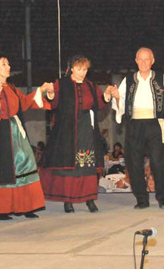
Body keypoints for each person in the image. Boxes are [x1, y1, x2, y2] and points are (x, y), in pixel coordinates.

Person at [0, 55, 53, 220]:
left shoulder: (12, 88)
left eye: (8, 64)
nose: (8, 67)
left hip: (16, 131)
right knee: (3, 167)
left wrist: (41, 90)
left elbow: (24, 102)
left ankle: (25, 205)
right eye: (3, 64)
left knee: (25, 162)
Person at [41, 55, 114, 213]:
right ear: (72, 69)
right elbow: (52, 103)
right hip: (67, 131)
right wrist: (51, 93)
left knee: (88, 164)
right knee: (70, 166)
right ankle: (68, 201)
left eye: (85, 69)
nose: (82, 72)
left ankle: (90, 200)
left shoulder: (91, 86)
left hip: (86, 129)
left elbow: (100, 104)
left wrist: (107, 95)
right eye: (79, 69)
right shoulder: (61, 84)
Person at [109, 48, 164, 209]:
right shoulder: (129, 80)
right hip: (135, 124)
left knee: (159, 162)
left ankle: (162, 198)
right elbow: (120, 103)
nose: (143, 62)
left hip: (155, 123)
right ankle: (141, 199)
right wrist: (117, 97)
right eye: (140, 59)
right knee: (134, 163)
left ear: (152, 61)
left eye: (146, 59)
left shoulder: (161, 78)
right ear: (136, 61)